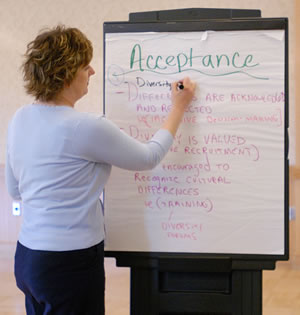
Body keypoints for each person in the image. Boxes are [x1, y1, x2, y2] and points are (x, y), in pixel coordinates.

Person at [5, 25, 196, 315]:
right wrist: (179, 107)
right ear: (66, 72)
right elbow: (148, 157)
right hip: (69, 264)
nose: (92, 72)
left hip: (28, 258)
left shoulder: (20, 118)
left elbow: (15, 190)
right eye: (85, 65)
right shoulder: (85, 126)